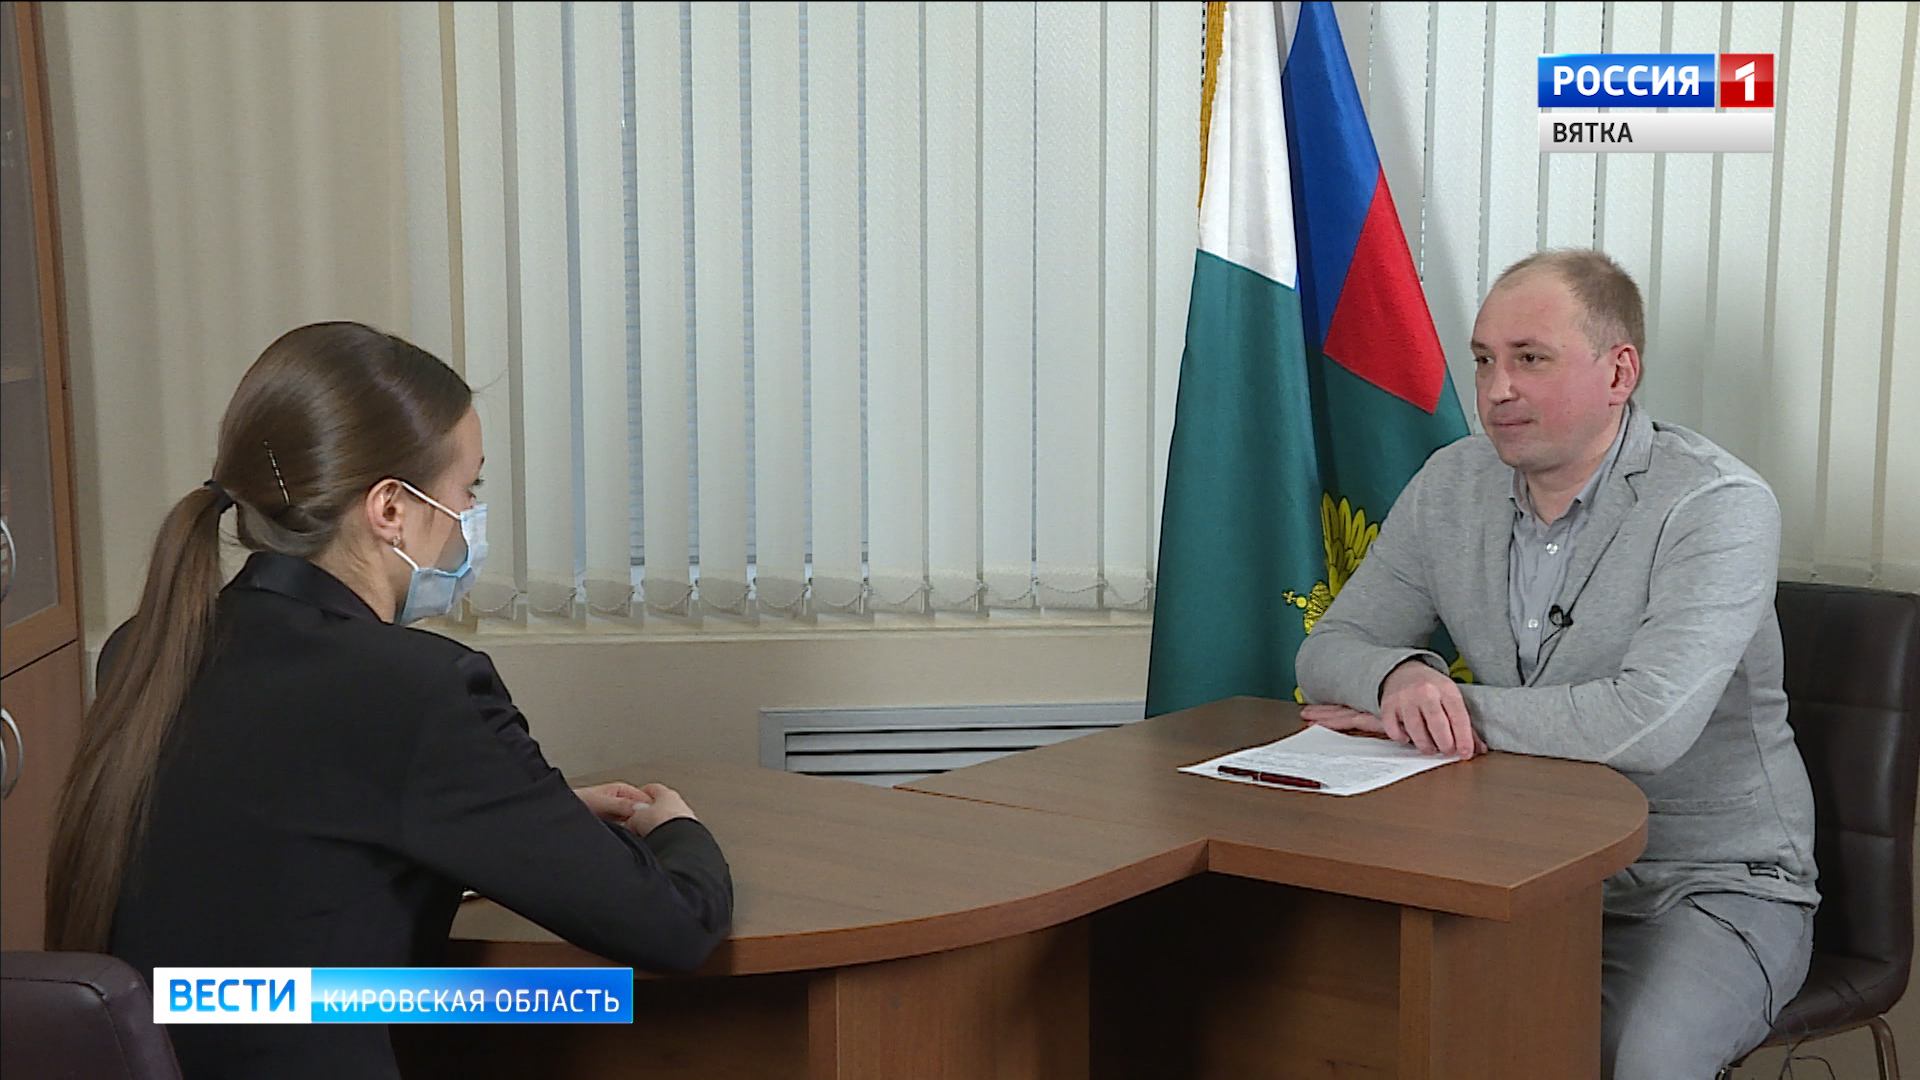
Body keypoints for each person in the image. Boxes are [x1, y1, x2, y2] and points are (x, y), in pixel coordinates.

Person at [48, 322, 733, 1079]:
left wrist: (516, 816)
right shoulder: (419, 686)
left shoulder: (146, 648)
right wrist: (677, 829)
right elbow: (674, 927)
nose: (470, 514)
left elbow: (280, 855)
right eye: (468, 489)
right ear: (391, 510)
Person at [1294, 250, 1817, 1078]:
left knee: (1630, 1060)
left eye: (1530, 358)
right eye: (1483, 360)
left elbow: (1643, 723)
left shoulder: (1717, 504)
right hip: (1518, 870)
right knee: (1349, 1018)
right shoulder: (1450, 484)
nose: (1497, 388)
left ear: (1619, 373)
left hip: (1702, 883)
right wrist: (1401, 680)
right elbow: (1329, 649)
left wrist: (1444, 715)